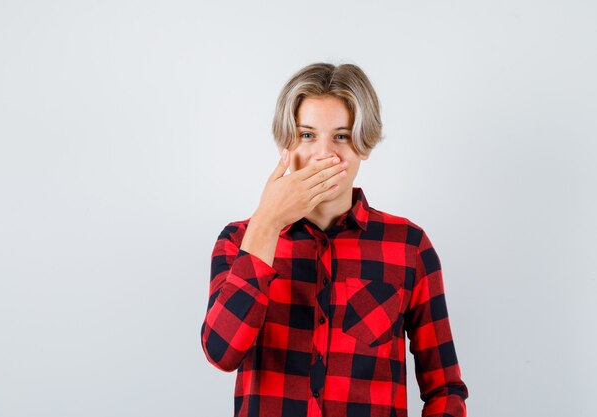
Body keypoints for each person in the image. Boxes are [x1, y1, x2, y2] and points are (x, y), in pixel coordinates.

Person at [200, 62, 469, 417]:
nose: (323, 154)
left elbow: (444, 389)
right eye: (307, 135)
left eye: (341, 136)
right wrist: (267, 221)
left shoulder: (409, 247)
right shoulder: (239, 240)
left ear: (364, 145)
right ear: (286, 143)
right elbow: (221, 352)